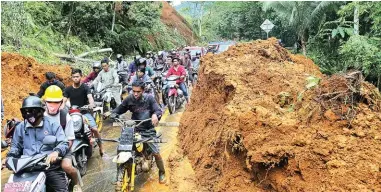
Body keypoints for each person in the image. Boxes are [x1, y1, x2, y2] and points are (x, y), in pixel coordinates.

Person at [3, 96, 69, 192]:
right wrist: (9, 157)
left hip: (48, 166)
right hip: (26, 167)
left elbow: (63, 142)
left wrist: (56, 152)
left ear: (40, 111)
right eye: (25, 111)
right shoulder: (20, 127)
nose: (28, 114)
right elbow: (16, 147)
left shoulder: (52, 124)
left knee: (61, 190)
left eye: (31, 111)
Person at [108, 80, 166, 184]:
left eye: (138, 91)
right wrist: (112, 113)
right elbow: (120, 109)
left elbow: (158, 110)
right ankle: (119, 174)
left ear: (143, 91)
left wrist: (154, 115)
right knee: (121, 147)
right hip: (134, 128)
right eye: (133, 91)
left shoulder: (149, 99)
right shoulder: (129, 99)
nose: (135, 93)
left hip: (148, 129)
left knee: (156, 152)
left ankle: (162, 172)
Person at [43, 85, 82, 191]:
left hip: (63, 147)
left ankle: (76, 184)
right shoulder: (40, 115)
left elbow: (70, 139)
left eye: (56, 102)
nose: (52, 105)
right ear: (45, 101)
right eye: (50, 102)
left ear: (61, 102)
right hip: (44, 149)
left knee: (67, 166)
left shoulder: (65, 117)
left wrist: (59, 152)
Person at [63, 69, 104, 156]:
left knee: (94, 129)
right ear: (71, 78)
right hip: (73, 114)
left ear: (81, 77)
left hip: (84, 113)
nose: (75, 78)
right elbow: (64, 101)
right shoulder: (68, 89)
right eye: (74, 77)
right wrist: (61, 107)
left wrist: (91, 104)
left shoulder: (85, 87)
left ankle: (101, 147)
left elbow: (90, 97)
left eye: (77, 76)